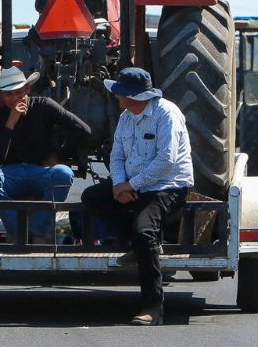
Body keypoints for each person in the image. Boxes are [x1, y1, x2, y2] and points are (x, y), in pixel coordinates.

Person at [80, 67, 193, 327]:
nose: (117, 97)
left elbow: (166, 161)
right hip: (133, 185)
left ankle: (153, 307)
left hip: (166, 187)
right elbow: (117, 156)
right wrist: (119, 184)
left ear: (134, 96)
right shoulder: (126, 117)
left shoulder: (167, 114)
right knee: (92, 197)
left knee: (145, 233)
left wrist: (132, 184)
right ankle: (133, 243)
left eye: (120, 93)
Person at [0, 67, 91, 243]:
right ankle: (18, 230)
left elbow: (83, 130)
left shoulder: (44, 105)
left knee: (63, 173)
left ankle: (38, 230)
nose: (14, 98)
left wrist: (58, 155)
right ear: (1, 96)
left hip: (40, 172)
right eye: (8, 94)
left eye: (18, 92)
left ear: (27, 89)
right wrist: (11, 123)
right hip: (10, 175)